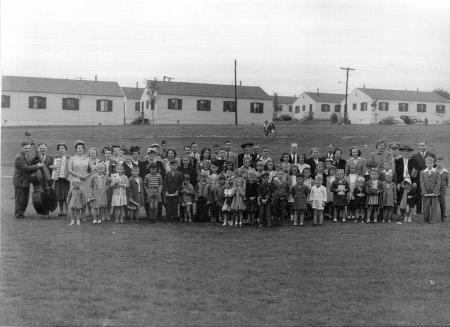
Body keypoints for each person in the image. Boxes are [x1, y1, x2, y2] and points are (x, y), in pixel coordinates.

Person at [13, 141, 44, 218]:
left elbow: (30, 162)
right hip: (20, 181)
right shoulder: (19, 158)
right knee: (20, 198)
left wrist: (37, 155)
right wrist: (37, 166)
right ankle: (18, 214)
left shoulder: (26, 155)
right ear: (22, 147)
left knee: (24, 199)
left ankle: (21, 213)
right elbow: (25, 168)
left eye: (28, 148)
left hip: (25, 181)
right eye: (25, 148)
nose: (27, 149)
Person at [68, 140, 95, 220]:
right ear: (76, 149)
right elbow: (70, 170)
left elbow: (94, 168)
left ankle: (83, 215)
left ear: (83, 149)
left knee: (84, 198)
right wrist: (79, 176)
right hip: (75, 180)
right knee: (75, 197)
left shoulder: (87, 158)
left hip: (85, 180)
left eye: (81, 148)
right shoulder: (72, 158)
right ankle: (75, 215)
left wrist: (88, 175)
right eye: (78, 148)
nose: (80, 149)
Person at [412, 142, 436, 214]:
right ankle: (418, 211)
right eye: (420, 146)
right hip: (419, 178)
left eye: (423, 146)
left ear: (426, 146)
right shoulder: (415, 156)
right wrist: (414, 181)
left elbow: (434, 167)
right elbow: (414, 169)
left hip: (429, 178)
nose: (422, 147)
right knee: (419, 194)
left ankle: (429, 211)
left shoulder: (431, 155)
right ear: (418, 147)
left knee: (430, 194)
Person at [420, 156, 441, 223]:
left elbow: (438, 182)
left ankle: (433, 220)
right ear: (426, 164)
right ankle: (426, 219)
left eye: (431, 163)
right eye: (428, 163)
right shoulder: (422, 172)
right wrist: (424, 192)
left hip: (434, 192)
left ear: (433, 164)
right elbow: (422, 182)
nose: (429, 164)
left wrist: (435, 191)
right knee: (426, 207)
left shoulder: (436, 171)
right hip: (426, 192)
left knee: (434, 207)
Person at [52, 143, 71, 217]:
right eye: (60, 148)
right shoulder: (55, 158)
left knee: (66, 196)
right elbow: (52, 166)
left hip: (66, 179)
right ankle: (61, 211)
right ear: (58, 150)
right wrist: (53, 167)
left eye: (63, 148)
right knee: (59, 196)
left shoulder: (69, 158)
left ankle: (66, 212)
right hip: (58, 179)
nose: (61, 149)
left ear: (65, 149)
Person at [436, 157, 448, 221]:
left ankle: (444, 212)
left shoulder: (445, 171)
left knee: (443, 200)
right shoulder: (434, 170)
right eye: (438, 162)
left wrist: (445, 187)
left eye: (441, 162)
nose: (439, 164)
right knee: (435, 200)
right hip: (436, 188)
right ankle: (434, 213)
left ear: (443, 163)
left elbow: (447, 181)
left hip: (443, 188)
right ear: (436, 163)